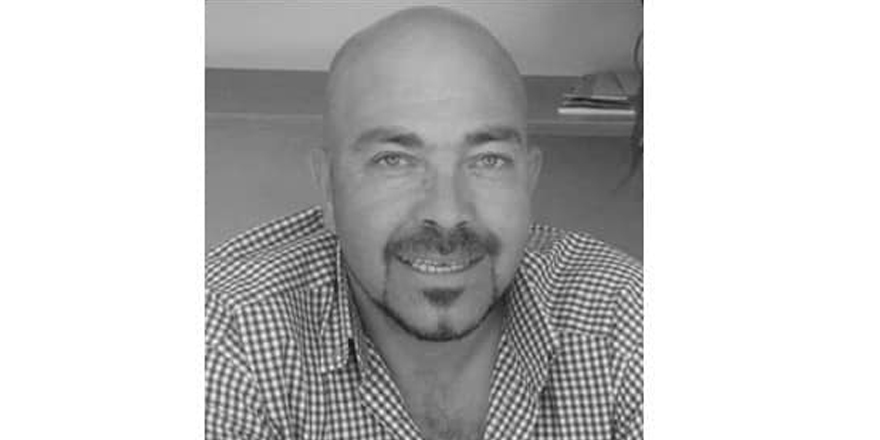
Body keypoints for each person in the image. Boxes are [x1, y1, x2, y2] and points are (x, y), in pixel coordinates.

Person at [206, 6, 642, 440]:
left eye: (488, 160)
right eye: (393, 160)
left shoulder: (623, 320)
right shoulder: (232, 332)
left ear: (528, 182)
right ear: (330, 190)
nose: (447, 213)